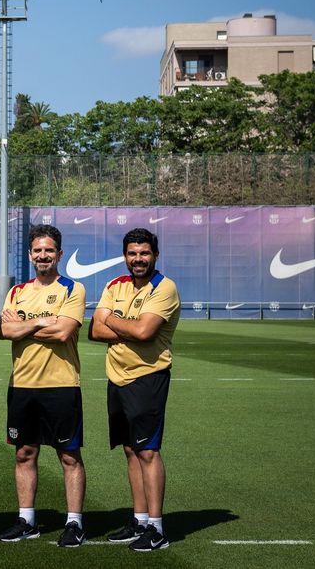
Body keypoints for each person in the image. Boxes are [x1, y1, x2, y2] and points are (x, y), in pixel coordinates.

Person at [88, 228, 180, 552]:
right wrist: (122, 325)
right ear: (125, 256)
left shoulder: (164, 288)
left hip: (147, 378)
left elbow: (144, 332)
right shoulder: (115, 285)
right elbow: (94, 330)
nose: (137, 259)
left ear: (155, 255)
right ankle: (140, 520)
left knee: (148, 452)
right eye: (132, 253)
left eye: (144, 253)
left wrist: (112, 319)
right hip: (116, 378)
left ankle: (157, 528)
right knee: (130, 450)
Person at [0, 224, 88, 548]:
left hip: (61, 385)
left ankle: (74, 523)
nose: (43, 255)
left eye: (49, 250)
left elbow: (63, 332)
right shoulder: (16, 292)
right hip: (22, 385)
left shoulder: (72, 289)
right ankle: (27, 521)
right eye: (38, 250)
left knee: (69, 456)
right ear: (30, 254)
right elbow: (4, 331)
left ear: (59, 254)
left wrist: (22, 326)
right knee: (24, 453)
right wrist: (39, 321)